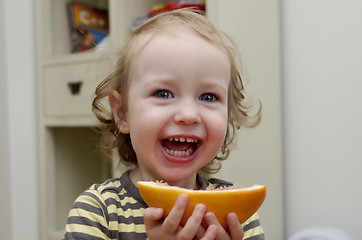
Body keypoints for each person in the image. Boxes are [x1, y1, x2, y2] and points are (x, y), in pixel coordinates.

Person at [64, 9, 263, 240]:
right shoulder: (97, 212)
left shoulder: (239, 214)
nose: (188, 115)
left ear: (228, 115)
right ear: (122, 113)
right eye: (163, 93)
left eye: (208, 97)